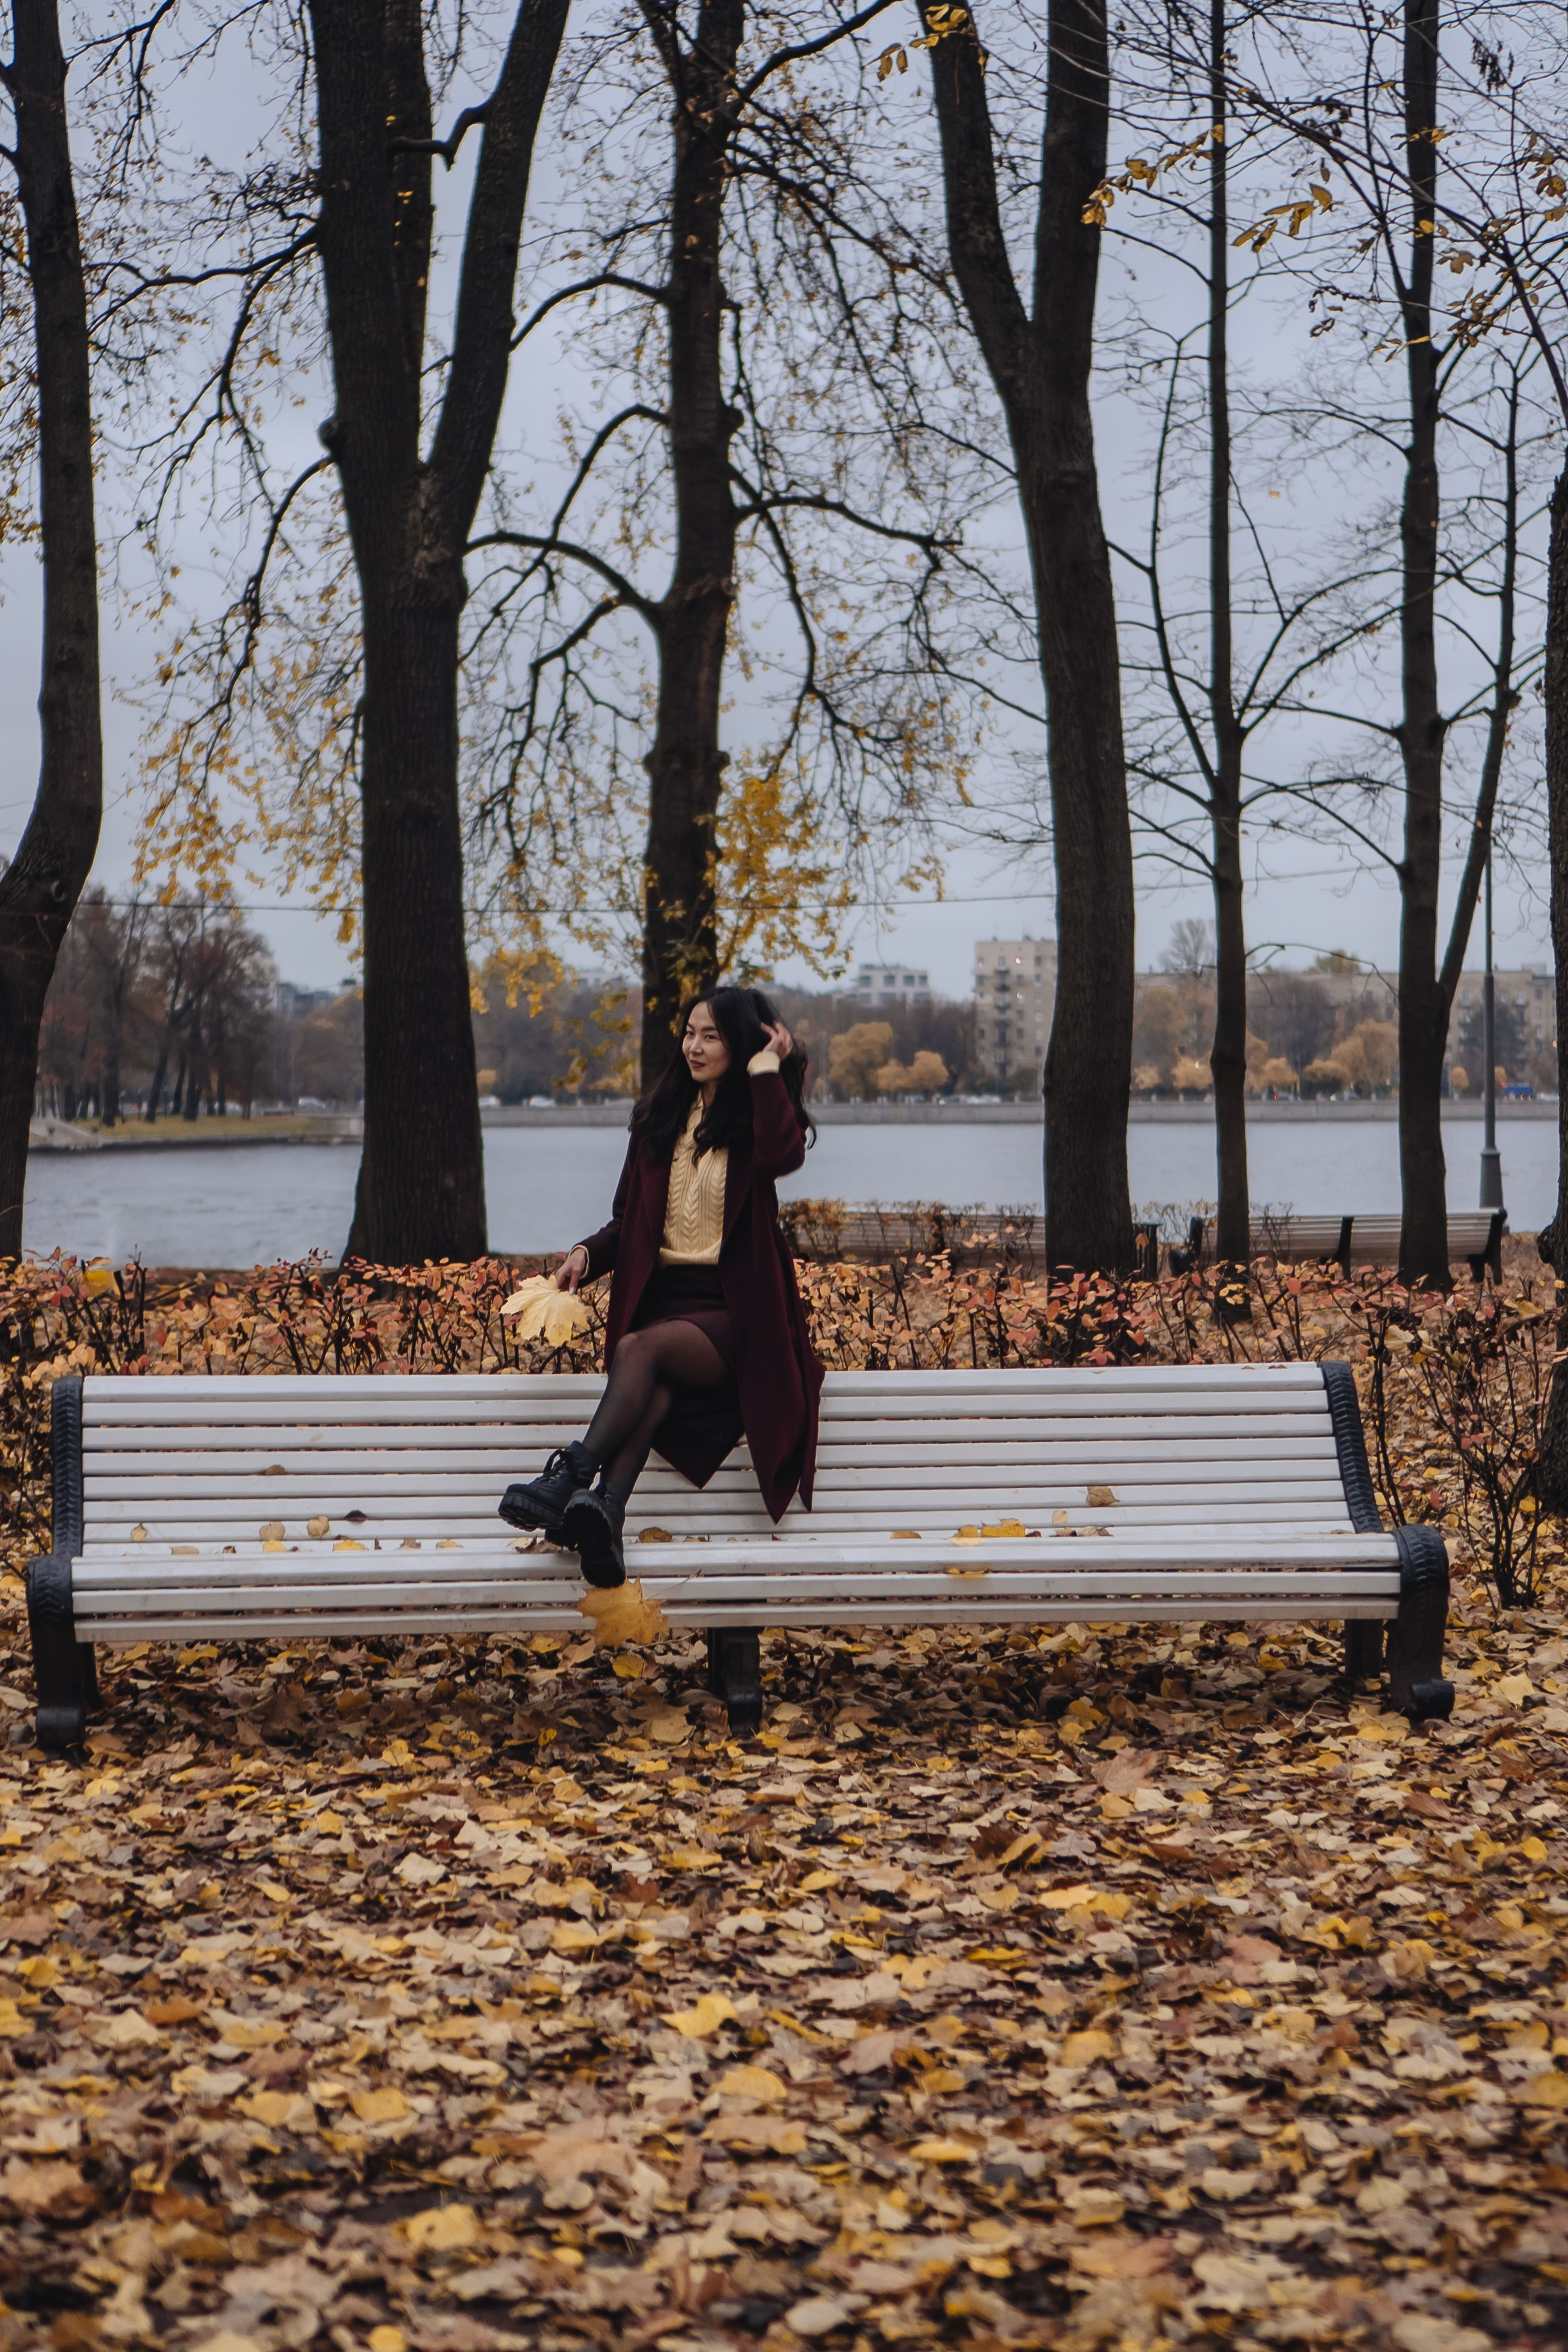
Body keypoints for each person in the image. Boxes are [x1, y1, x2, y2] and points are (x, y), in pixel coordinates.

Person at [498, 986, 824, 1588]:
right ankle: (606, 1513)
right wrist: (585, 1255)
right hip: (668, 1307)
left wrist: (766, 1070)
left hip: (735, 1312)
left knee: (640, 1349)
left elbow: (782, 1155)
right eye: (689, 1033)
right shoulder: (659, 1120)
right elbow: (628, 1221)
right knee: (657, 1378)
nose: (694, 1047)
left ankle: (572, 1472)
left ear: (740, 1045)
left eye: (712, 1037)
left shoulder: (758, 1117)